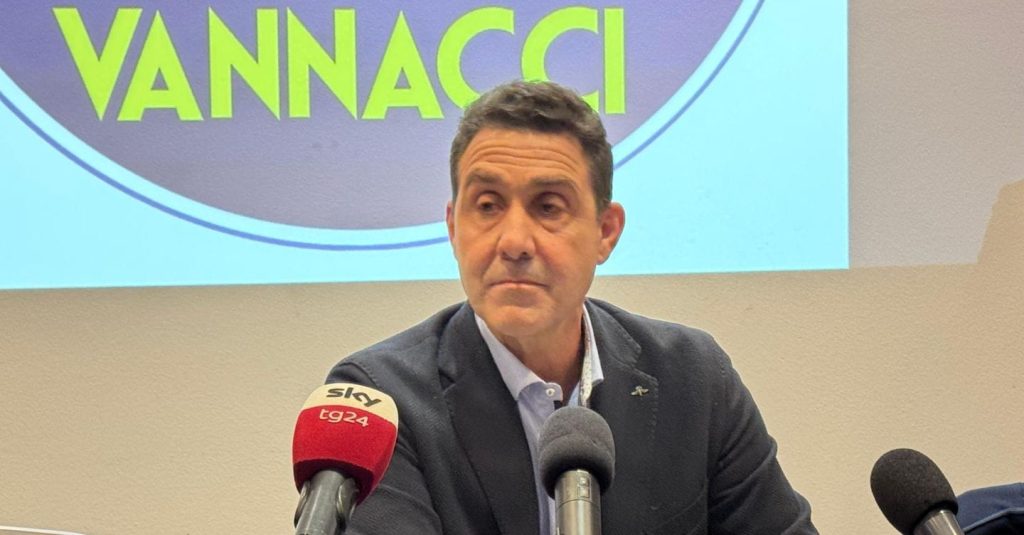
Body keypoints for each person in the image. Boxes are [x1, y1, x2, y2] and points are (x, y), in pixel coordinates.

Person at [326, 80, 816, 534]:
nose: (514, 242)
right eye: (488, 205)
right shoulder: (379, 403)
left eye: (548, 207)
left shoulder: (693, 378)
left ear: (606, 231)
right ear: (454, 228)